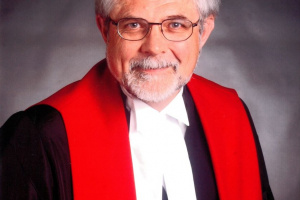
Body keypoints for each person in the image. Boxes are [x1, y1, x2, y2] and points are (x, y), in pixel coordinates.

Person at [0, 0, 274, 199]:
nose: (154, 47)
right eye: (133, 25)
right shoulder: (38, 134)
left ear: (203, 32)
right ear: (105, 30)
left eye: (176, 24)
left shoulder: (233, 112)